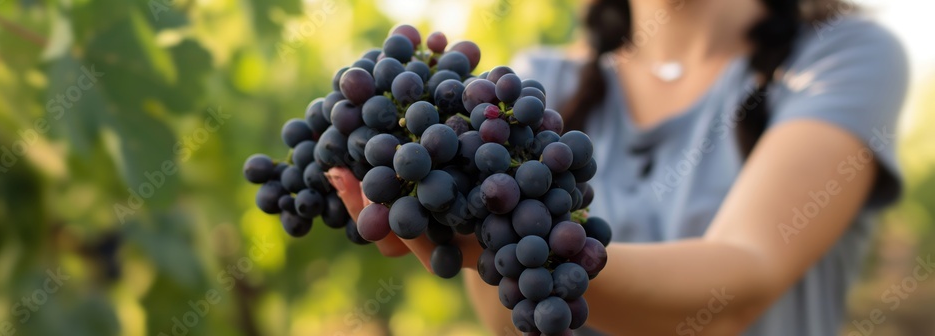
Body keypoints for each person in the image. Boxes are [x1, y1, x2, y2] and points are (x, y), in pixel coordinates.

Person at [325, 0, 909, 334]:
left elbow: (741, 286)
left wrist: (518, 253)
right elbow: (519, 324)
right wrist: (472, 238)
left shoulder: (840, 56)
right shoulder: (535, 88)